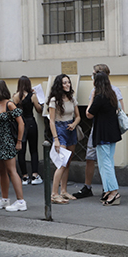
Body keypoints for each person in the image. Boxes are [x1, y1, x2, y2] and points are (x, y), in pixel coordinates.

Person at [77, 64, 124, 199]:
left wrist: (92, 98)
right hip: (112, 133)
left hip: (102, 133)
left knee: (105, 164)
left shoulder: (99, 96)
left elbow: (89, 114)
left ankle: (113, 191)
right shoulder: (112, 95)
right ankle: (109, 191)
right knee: (107, 161)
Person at [0, 80, 27, 212]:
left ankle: (21, 200)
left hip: (8, 141)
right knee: (1, 171)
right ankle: (4, 199)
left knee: (12, 170)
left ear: (0, 89)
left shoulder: (9, 104)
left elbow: (21, 123)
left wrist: (19, 141)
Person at [47, 74, 81, 204]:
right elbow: (51, 121)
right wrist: (56, 139)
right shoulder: (54, 100)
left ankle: (64, 191)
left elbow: (78, 116)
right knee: (61, 163)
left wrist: (74, 124)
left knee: (67, 162)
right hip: (60, 130)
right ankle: (54, 194)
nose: (67, 85)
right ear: (59, 85)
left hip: (70, 129)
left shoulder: (72, 98)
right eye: (64, 83)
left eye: (68, 82)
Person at [13, 76, 43, 186]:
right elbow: (39, 110)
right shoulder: (33, 96)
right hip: (31, 123)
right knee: (33, 150)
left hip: (20, 124)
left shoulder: (15, 96)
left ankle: (24, 176)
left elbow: (14, 112)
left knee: (21, 151)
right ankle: (35, 175)